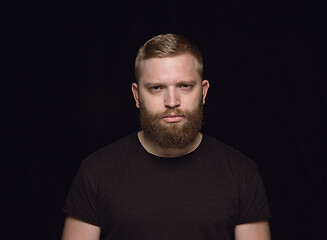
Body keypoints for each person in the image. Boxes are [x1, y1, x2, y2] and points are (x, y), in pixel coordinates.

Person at [61, 33, 271, 240]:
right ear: (137, 96)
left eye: (185, 86)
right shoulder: (96, 172)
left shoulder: (241, 173)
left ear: (204, 92)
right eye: (156, 88)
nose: (172, 101)